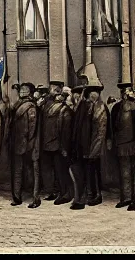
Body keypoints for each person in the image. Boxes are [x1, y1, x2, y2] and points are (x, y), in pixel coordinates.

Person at [69, 80, 110, 210]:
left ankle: (95, 196)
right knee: (87, 171)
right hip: (84, 145)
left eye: (96, 93)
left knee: (94, 170)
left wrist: (95, 148)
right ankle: (88, 195)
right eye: (92, 92)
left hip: (94, 145)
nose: (94, 95)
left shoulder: (100, 107)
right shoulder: (84, 106)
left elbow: (102, 130)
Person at [10, 82, 41, 208]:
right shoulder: (18, 105)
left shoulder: (30, 107)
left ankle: (35, 198)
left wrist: (30, 142)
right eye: (21, 89)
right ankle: (17, 197)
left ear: (30, 92)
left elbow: (32, 127)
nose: (22, 91)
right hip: (19, 142)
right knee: (18, 171)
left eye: (25, 89)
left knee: (34, 172)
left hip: (30, 144)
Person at [41, 80, 72, 204]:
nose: (54, 92)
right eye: (52, 89)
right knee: (52, 170)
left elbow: (66, 129)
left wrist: (64, 146)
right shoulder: (49, 103)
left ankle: (65, 194)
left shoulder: (65, 107)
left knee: (61, 170)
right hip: (48, 142)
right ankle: (55, 191)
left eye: (56, 89)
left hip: (58, 143)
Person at [110, 82, 135, 210]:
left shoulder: (134, 106)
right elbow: (113, 126)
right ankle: (126, 198)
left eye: (127, 91)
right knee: (124, 172)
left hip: (132, 143)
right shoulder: (116, 108)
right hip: (121, 144)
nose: (125, 94)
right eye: (123, 91)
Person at [51, 89, 74, 205]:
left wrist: (64, 147)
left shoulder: (67, 112)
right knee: (61, 171)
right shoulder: (63, 110)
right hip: (60, 145)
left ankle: (67, 194)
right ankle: (64, 192)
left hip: (65, 146)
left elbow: (66, 132)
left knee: (64, 171)